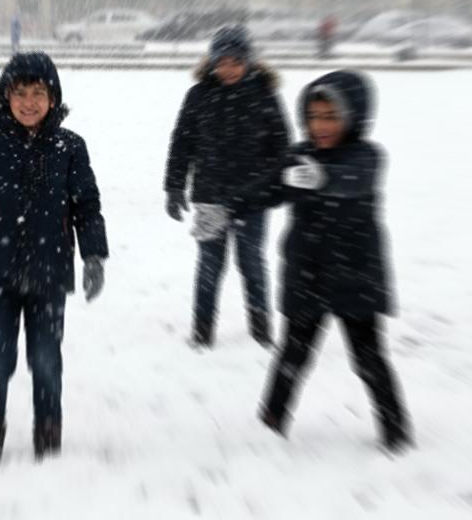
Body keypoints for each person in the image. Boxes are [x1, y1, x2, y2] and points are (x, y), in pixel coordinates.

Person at [0, 52, 108, 464]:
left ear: (53, 97)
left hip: (50, 274)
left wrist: (94, 255)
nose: (29, 102)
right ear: (5, 96)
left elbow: (87, 205)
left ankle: (48, 435)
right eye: (20, 93)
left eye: (38, 93)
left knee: (46, 360)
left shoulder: (70, 146)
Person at [258, 70, 413, 454]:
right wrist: (226, 208)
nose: (320, 126)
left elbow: (352, 179)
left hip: (354, 273)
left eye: (330, 117)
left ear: (353, 117)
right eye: (314, 116)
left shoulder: (367, 156)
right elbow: (269, 187)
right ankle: (271, 422)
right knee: (293, 354)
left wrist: (318, 177)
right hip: (307, 273)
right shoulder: (299, 155)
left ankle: (395, 431)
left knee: (368, 359)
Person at [164, 25, 291, 349]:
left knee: (252, 263)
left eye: (236, 61)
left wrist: (271, 187)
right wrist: (174, 186)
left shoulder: (264, 94)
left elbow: (281, 148)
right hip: (210, 197)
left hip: (253, 198)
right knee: (209, 266)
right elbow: (182, 142)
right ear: (213, 61)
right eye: (223, 62)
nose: (229, 68)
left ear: (248, 61)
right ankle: (202, 330)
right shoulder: (199, 95)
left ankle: (261, 329)